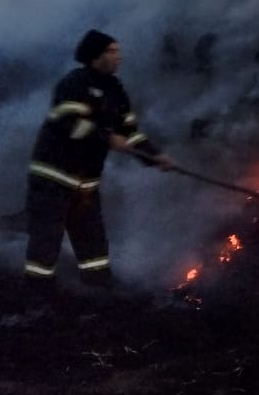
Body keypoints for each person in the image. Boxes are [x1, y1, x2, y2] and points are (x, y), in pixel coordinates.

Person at [23, 29, 176, 290]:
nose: (119, 57)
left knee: (93, 244)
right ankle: (36, 300)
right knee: (46, 242)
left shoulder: (115, 91)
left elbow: (131, 133)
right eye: (112, 51)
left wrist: (155, 157)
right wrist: (105, 136)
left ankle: (99, 292)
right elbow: (68, 123)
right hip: (53, 179)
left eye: (118, 51)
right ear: (95, 57)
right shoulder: (75, 83)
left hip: (85, 184)